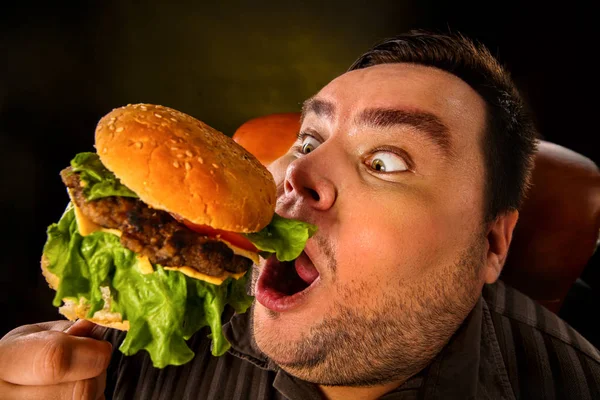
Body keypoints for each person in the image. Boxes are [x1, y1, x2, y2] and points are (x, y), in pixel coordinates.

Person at [1, 30, 599, 400]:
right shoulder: (133, 344)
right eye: (309, 141)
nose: (292, 175)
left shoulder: (573, 381)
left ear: (492, 245)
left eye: (385, 161)